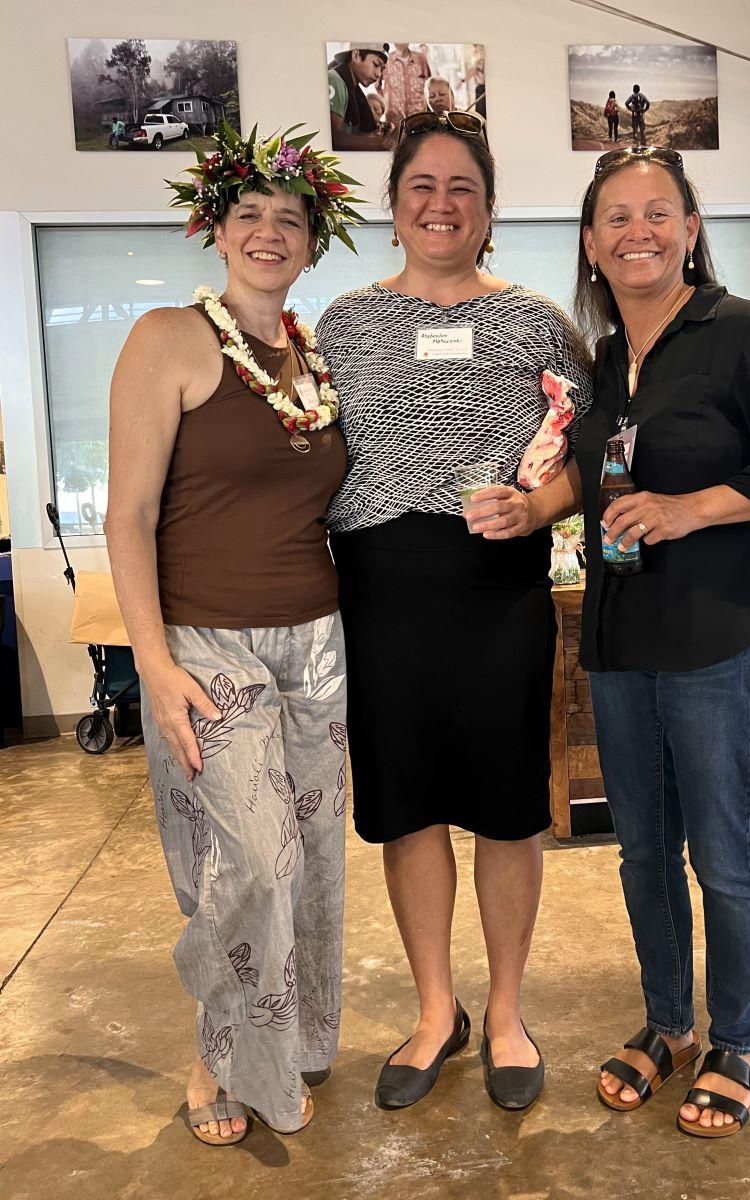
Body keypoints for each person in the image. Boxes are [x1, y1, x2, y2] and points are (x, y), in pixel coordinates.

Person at [315, 109, 592, 1115]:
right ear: (393, 207)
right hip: (380, 591)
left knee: (509, 809)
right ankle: (438, 1011)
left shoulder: (538, 321)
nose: (441, 205)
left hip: (498, 588)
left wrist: (539, 508)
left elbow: (592, 453)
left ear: (488, 208)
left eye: (461, 188)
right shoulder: (341, 325)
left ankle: (507, 1012)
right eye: (422, 187)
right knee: (408, 807)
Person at [573, 145, 750, 1138]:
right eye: (616, 216)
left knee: (724, 857)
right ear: (592, 243)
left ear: (690, 229)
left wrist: (690, 509)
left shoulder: (746, 335)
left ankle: (737, 1038)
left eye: (659, 212)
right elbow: (592, 477)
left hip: (717, 638)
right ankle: (668, 1023)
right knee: (642, 855)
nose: (637, 231)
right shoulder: (603, 362)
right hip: (619, 636)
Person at [105, 121, 361, 1145]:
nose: (268, 232)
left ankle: (287, 1040)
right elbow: (127, 515)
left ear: (312, 242)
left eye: (290, 219)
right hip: (207, 640)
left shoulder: (314, 357)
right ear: (215, 229)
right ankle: (216, 1050)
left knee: (312, 861)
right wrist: (152, 662)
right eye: (248, 213)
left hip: (318, 640)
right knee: (254, 859)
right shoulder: (168, 338)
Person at [328, 43, 391, 151]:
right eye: (376, 64)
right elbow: (333, 138)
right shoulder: (335, 81)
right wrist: (387, 143)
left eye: (382, 69)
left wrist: (372, 135)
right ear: (356, 55)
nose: (379, 74)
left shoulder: (354, 91)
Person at [382, 42, 431, 129]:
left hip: (419, 117)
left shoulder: (421, 59)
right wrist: (387, 102)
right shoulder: (386, 60)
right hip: (394, 120)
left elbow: (429, 84)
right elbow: (377, 85)